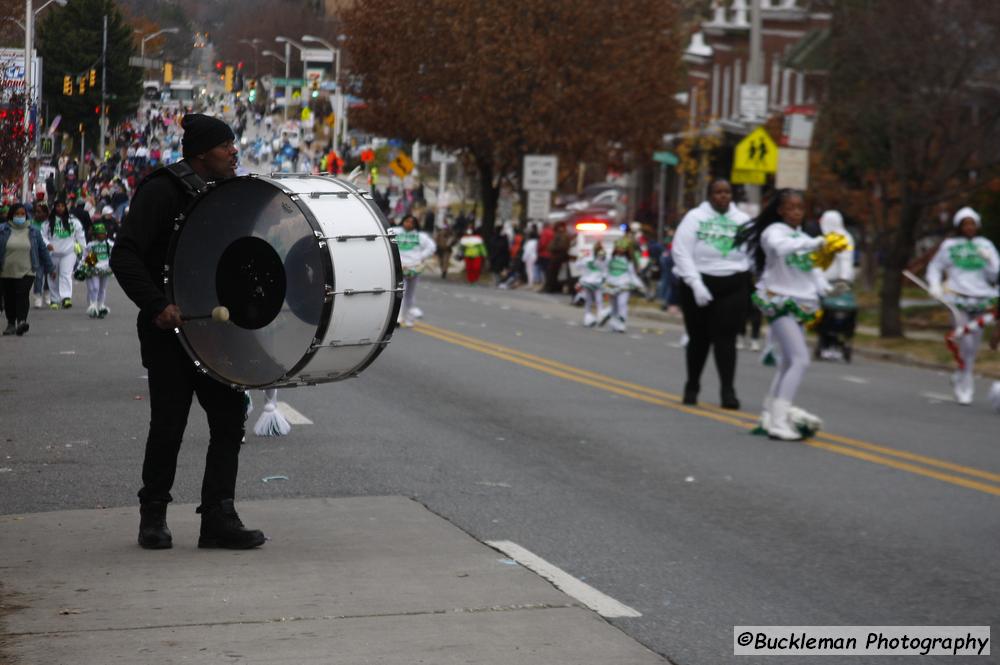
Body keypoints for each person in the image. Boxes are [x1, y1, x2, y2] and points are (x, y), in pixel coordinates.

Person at [111, 113, 265, 550]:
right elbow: (125, 255)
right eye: (226, 145)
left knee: (229, 418)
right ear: (201, 154)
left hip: (218, 333)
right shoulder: (161, 191)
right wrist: (157, 305)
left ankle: (218, 516)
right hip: (169, 333)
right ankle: (153, 516)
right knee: (169, 424)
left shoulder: (228, 193)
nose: (234, 151)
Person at [736, 189, 849, 440]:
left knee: (788, 362)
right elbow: (782, 248)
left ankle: (769, 414)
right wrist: (818, 241)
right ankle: (778, 421)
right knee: (800, 360)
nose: (797, 212)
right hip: (779, 300)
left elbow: (811, 269)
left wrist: (829, 288)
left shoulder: (801, 235)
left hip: (799, 303)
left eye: (800, 207)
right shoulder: (773, 232)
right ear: (780, 210)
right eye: (791, 207)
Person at [671, 178, 752, 409]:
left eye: (727, 192)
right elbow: (681, 251)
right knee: (699, 338)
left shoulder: (742, 220)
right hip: (699, 283)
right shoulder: (695, 217)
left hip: (733, 283)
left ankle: (728, 391)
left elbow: (752, 253)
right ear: (709, 195)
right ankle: (692, 385)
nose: (723, 196)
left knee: (726, 339)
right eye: (718, 192)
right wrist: (695, 283)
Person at [926, 207, 1000, 405]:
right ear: (959, 226)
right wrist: (935, 286)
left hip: (981, 298)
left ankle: (963, 375)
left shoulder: (986, 245)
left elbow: (995, 275)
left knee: (973, 344)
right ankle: (965, 378)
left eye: (972, 223)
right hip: (957, 298)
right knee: (964, 340)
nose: (969, 227)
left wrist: (988, 262)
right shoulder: (949, 245)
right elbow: (935, 267)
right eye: (965, 224)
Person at [0, 203, 54, 336]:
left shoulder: (33, 231)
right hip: (6, 270)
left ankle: (22, 321)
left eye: (22, 214)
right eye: (17, 214)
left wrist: (50, 267)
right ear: (11, 215)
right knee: (9, 297)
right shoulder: (2, 230)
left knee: (22, 295)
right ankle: (11, 323)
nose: (20, 216)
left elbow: (42, 249)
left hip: (27, 270)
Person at [390, 214, 436, 327]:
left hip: (414, 268)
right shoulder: (394, 231)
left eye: (412, 222)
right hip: (400, 267)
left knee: (410, 294)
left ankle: (409, 318)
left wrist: (421, 256)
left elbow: (431, 247)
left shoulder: (420, 236)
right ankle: (398, 318)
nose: (409, 224)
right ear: (403, 221)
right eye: (407, 221)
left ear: (415, 224)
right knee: (400, 292)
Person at [42, 199, 86, 309]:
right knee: (53, 276)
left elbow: (80, 235)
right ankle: (54, 300)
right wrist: (47, 244)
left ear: (65, 207)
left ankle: (66, 297)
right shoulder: (48, 222)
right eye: (58, 206)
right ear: (54, 208)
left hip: (69, 252)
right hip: (53, 253)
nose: (60, 208)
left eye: (62, 206)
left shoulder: (73, 221)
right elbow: (42, 235)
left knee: (66, 274)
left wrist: (83, 250)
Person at [605, 242, 645, 333]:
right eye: (619, 247)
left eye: (623, 248)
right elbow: (605, 270)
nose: (620, 250)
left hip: (624, 284)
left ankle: (622, 323)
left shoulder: (629, 261)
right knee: (614, 305)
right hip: (611, 284)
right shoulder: (610, 259)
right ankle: (614, 322)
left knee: (622, 304)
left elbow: (632, 275)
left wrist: (640, 285)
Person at [80, 222, 114, 319]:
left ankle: (101, 306)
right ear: (95, 234)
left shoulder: (109, 244)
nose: (102, 235)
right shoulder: (91, 245)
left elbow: (114, 255)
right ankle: (93, 306)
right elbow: (85, 257)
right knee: (95, 287)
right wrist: (83, 266)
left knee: (102, 288)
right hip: (94, 269)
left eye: (103, 233)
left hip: (106, 269)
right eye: (99, 233)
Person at [575, 243, 607, 327]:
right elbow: (605, 270)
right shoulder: (598, 258)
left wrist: (580, 259)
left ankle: (589, 316)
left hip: (590, 282)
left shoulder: (591, 258)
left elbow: (578, 266)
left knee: (590, 301)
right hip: (594, 282)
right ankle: (595, 317)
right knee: (597, 300)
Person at [29, 202, 50, 308]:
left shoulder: (49, 224)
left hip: (49, 253)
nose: (37, 214)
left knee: (48, 275)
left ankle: (47, 293)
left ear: (46, 214)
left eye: (40, 212)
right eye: (36, 212)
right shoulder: (31, 224)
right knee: (38, 276)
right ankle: (37, 295)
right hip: (37, 253)